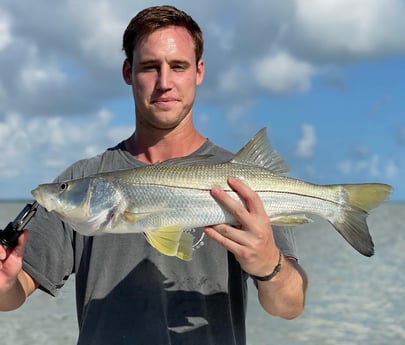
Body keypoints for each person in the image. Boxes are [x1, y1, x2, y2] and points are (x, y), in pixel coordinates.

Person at [0, 5, 307, 345]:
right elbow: (13, 293)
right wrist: (4, 283)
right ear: (128, 72)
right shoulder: (85, 177)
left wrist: (270, 265)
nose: (164, 82)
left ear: (199, 72)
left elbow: (289, 306)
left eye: (178, 66)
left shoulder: (245, 181)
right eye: (149, 67)